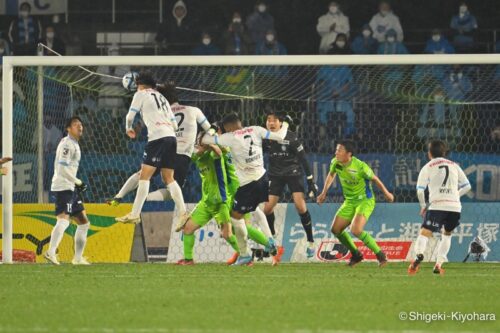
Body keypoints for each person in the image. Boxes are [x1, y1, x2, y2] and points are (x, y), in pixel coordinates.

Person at [108, 83, 213, 220]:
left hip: (163, 146)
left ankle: (119, 196)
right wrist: (203, 142)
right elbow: (210, 130)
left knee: (143, 174)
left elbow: (143, 125)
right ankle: (148, 198)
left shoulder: (160, 112)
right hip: (182, 154)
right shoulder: (194, 110)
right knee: (171, 187)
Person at [201, 113, 289, 265]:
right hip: (262, 178)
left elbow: (203, 139)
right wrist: (286, 123)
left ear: (228, 127)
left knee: (235, 217)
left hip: (247, 184)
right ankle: (270, 241)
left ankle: (245, 254)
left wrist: (213, 128)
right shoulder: (256, 129)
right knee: (255, 210)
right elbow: (280, 137)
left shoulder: (230, 137)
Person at [115, 72, 187, 225]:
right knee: (169, 178)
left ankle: (135, 214)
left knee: (144, 176)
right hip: (171, 138)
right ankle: (182, 213)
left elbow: (129, 116)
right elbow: (175, 124)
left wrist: (129, 128)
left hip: (157, 138)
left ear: (139, 85)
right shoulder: (163, 98)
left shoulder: (141, 94)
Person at [317, 140, 394, 267]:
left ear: (349, 154)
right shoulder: (335, 162)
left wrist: (387, 193)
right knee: (335, 229)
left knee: (356, 229)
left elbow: (374, 179)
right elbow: (331, 174)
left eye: (340, 150)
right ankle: (356, 255)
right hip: (349, 201)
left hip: (365, 200)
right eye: (336, 149)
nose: (336, 152)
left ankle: (381, 254)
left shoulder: (360, 166)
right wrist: (324, 193)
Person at [409, 140, 471, 275]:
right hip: (454, 207)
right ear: (444, 153)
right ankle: (439, 264)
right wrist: (455, 195)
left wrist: (423, 206)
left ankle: (418, 256)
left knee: (425, 232)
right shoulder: (454, 165)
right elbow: (467, 186)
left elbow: (420, 191)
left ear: (429, 153)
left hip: (437, 205)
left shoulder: (428, 167)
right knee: (447, 234)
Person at [263, 112, 318, 258]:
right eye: (269, 120)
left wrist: (310, 180)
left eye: (275, 120)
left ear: (281, 123)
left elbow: (304, 159)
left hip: (293, 173)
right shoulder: (266, 137)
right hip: (275, 175)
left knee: (300, 207)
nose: (271, 123)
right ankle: (273, 238)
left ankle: (311, 242)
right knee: (267, 208)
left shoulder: (292, 137)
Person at [176, 138, 240, 265]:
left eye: (198, 144)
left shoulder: (213, 155)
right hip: (206, 203)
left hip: (221, 202)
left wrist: (209, 144)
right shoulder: (198, 158)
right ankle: (188, 259)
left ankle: (245, 255)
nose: (196, 147)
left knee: (227, 234)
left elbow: (218, 152)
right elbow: (187, 155)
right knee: (187, 228)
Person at [44, 117, 90, 265]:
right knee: (63, 220)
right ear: (68, 129)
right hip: (63, 186)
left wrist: (75, 183)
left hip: (69, 187)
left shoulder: (74, 143)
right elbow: (62, 169)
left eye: (81, 125)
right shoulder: (67, 144)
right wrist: (78, 181)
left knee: (83, 222)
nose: (80, 127)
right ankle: (51, 252)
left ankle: (77, 258)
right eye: (76, 125)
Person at [315, 59, 355, 136]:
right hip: (327, 99)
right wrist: (329, 90)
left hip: (343, 99)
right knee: (324, 112)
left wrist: (339, 91)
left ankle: (347, 136)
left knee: (349, 113)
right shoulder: (324, 69)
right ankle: (325, 133)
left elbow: (348, 84)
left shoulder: (345, 69)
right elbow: (320, 84)